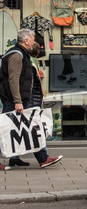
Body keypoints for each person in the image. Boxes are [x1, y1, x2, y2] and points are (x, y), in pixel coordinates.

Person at [0, 29, 62, 169]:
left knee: (24, 128)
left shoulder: (22, 54)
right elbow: (13, 80)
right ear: (26, 40)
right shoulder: (17, 55)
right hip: (14, 100)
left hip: (18, 99)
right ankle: (43, 158)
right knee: (16, 128)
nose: (34, 42)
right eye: (33, 39)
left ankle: (17, 158)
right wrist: (18, 101)